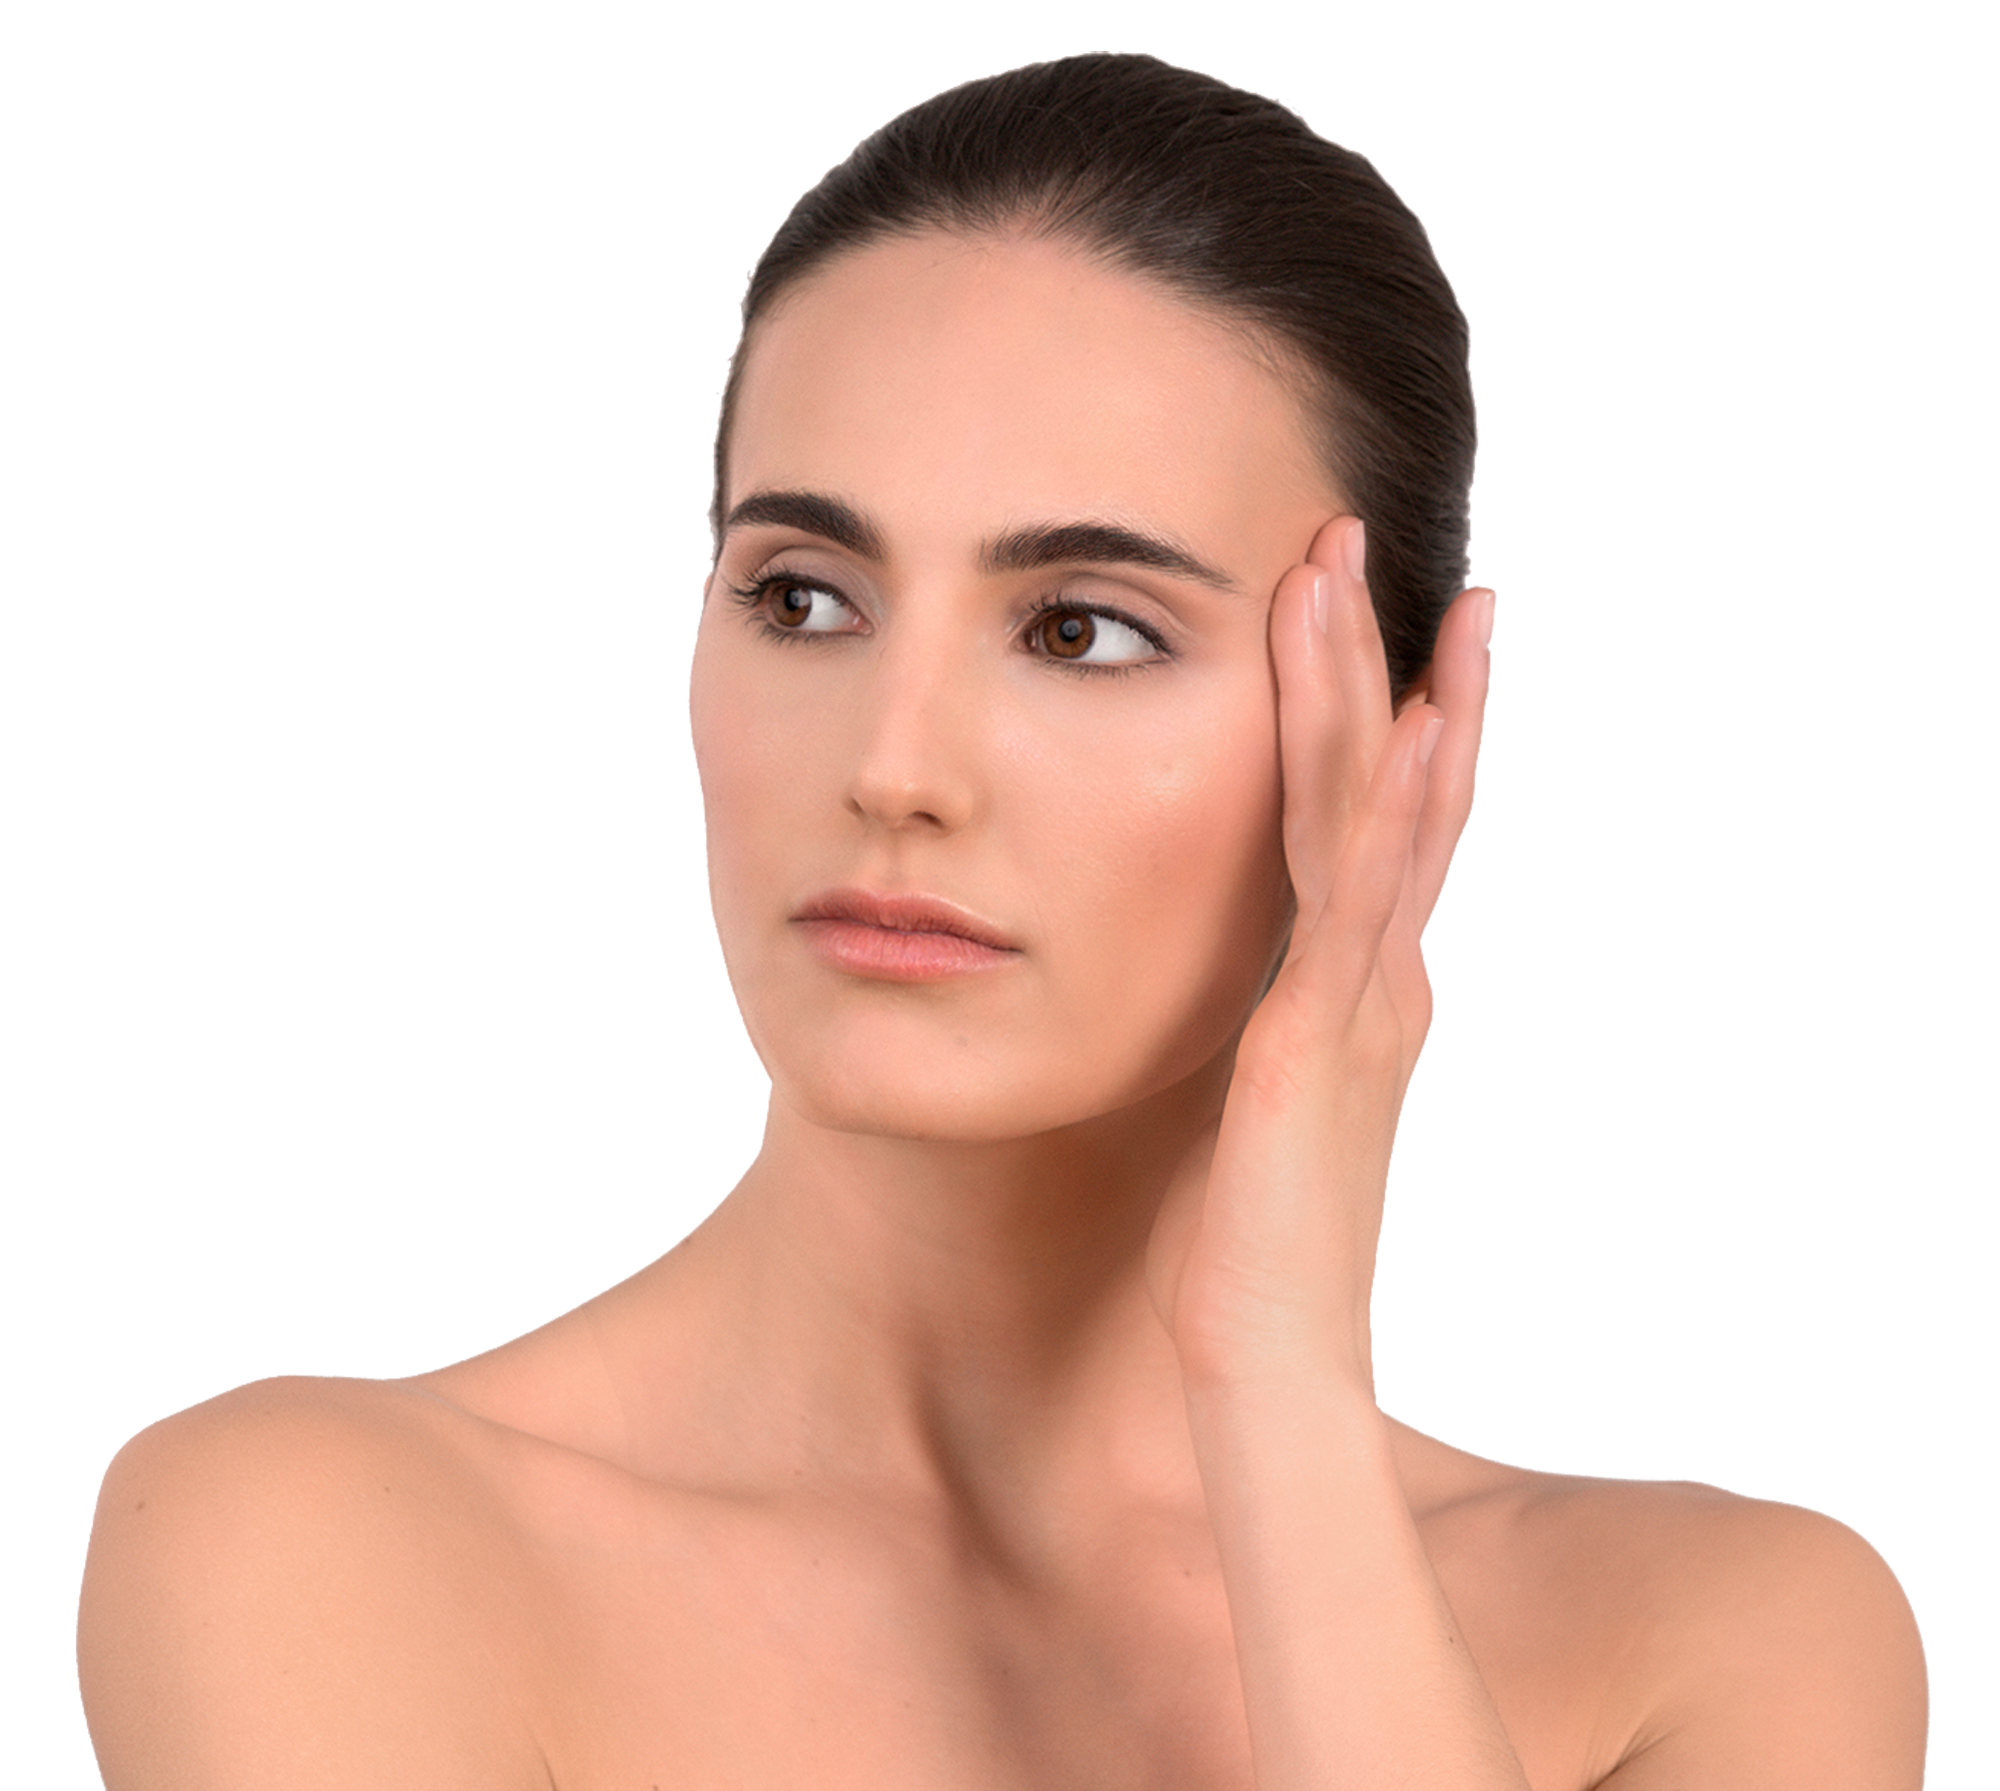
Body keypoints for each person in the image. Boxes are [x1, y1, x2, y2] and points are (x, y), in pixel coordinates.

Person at [78, 53, 1927, 1788]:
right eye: (803, 597)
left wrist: (1278, 1371)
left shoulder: (1721, 1634)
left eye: (1080, 628)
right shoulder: (321, 1537)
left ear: (1401, 739)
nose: (893, 766)